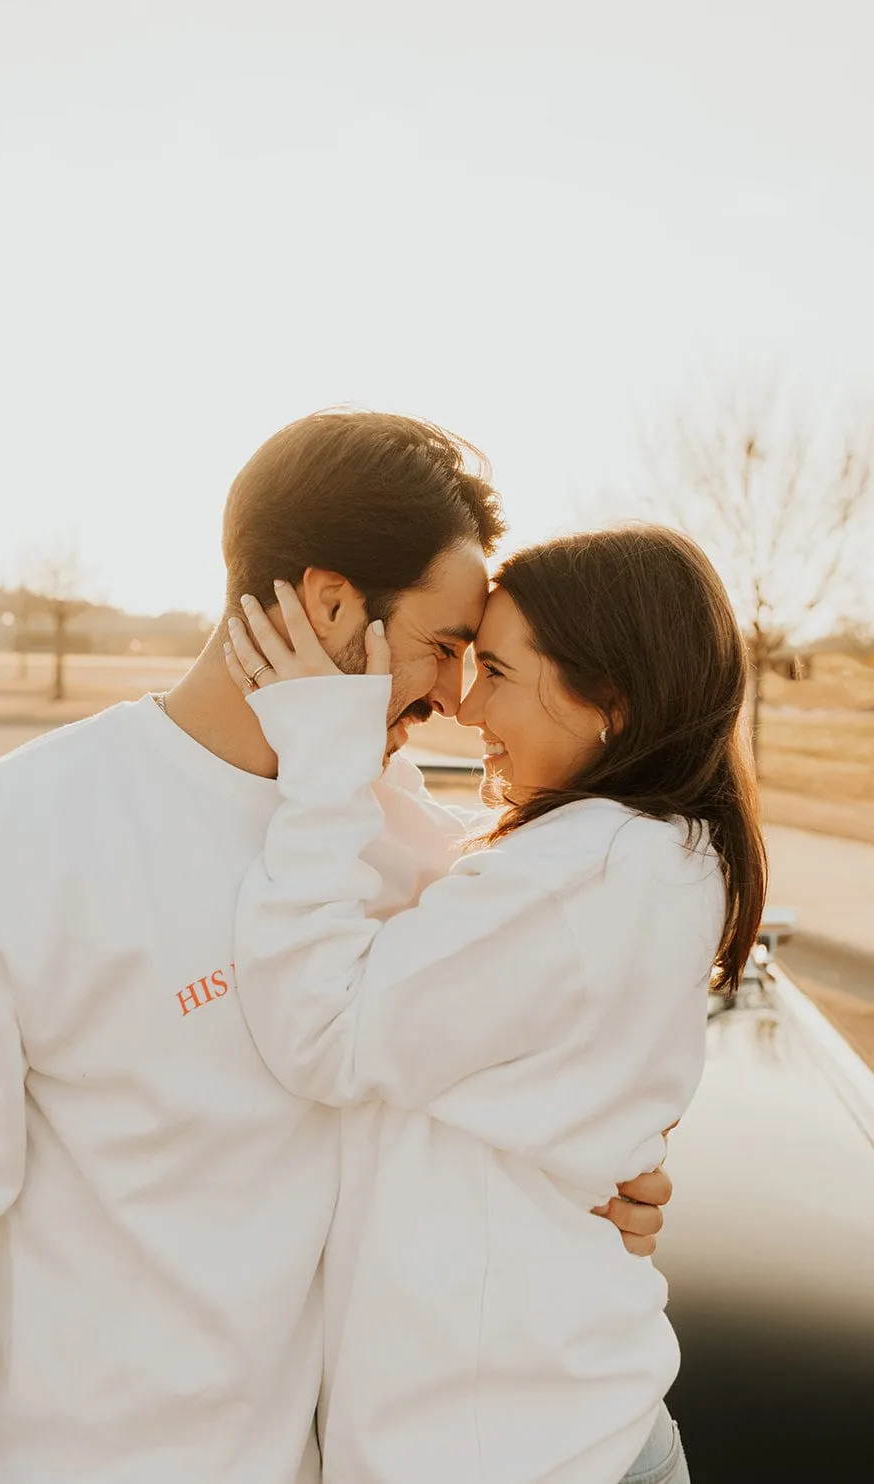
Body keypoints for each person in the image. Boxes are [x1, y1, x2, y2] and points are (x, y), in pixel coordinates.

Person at [0, 412, 673, 1484]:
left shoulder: (398, 834)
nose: (452, 700)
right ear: (331, 603)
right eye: (441, 649)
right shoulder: (3, 845)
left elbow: (523, 1046)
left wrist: (609, 1170)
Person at [225, 525, 768, 1484]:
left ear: (612, 702)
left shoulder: (585, 872)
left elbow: (325, 1033)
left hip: (517, 1451)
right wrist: (355, 728)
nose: (466, 702)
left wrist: (322, 755)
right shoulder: (649, 851)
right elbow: (447, 875)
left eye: (500, 673)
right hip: (554, 1426)